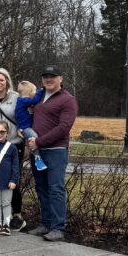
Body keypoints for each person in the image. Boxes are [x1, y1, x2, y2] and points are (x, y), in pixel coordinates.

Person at [26, 65, 79, 242]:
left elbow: (64, 127)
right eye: (46, 76)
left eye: (53, 76)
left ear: (61, 78)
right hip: (38, 151)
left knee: (55, 188)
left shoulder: (67, 100)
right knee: (41, 187)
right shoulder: (39, 97)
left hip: (55, 151)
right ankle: (47, 224)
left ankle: (58, 228)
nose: (49, 79)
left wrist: (39, 141)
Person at [0, 68, 26, 231]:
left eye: (1, 80)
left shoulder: (17, 98)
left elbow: (27, 114)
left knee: (12, 180)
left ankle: (16, 215)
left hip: (14, 144)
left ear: (7, 81)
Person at [14, 80, 47, 170]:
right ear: (29, 93)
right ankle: (37, 159)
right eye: (34, 91)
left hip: (27, 126)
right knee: (34, 137)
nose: (36, 93)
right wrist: (41, 90)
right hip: (25, 128)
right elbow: (35, 99)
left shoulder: (26, 102)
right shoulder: (22, 100)